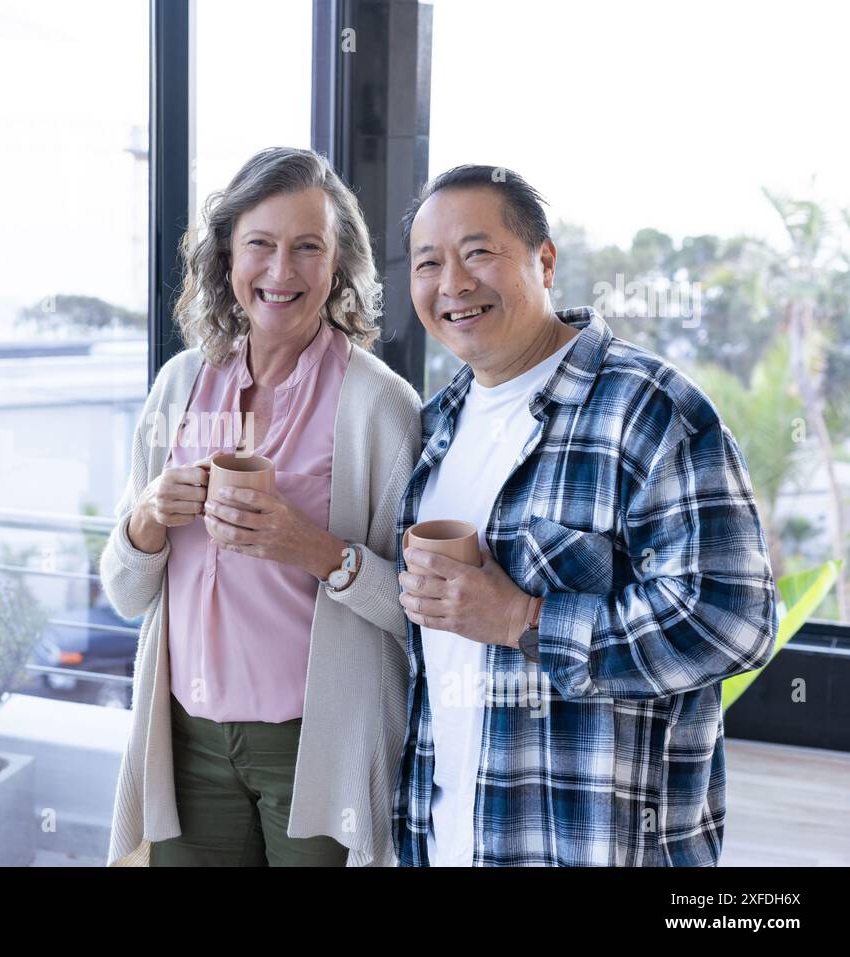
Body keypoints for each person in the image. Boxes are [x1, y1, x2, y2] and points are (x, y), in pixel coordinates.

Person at [393, 164, 778, 866]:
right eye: (429, 262)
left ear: (544, 261)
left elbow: (734, 621)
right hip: (445, 838)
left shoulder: (650, 406)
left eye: (478, 252)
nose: (452, 283)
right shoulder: (435, 425)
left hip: (596, 846)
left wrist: (523, 619)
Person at [101, 147, 421, 866]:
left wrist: (310, 546)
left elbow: (420, 613)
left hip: (316, 747)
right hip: (185, 742)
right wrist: (149, 516)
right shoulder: (179, 386)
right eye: (261, 245)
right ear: (227, 255)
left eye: (308, 247)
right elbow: (124, 592)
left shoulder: (380, 408)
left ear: (339, 263)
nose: (282, 272)